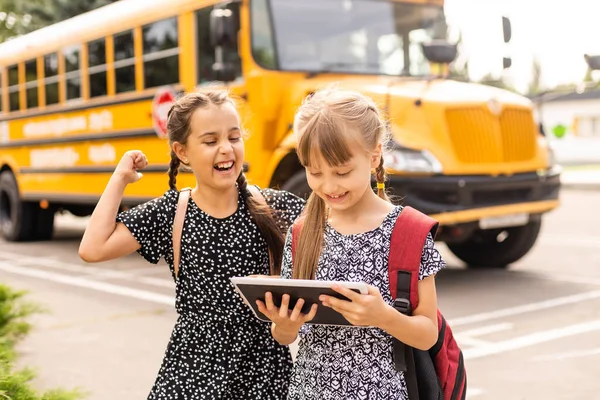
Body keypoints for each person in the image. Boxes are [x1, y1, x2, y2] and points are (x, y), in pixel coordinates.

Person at [78, 90, 304, 399]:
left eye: (234, 138)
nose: (226, 149)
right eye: (210, 142)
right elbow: (93, 248)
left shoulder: (273, 206)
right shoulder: (172, 212)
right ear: (182, 152)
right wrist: (119, 178)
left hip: (263, 373)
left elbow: (334, 235)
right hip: (189, 374)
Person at [256, 87, 447, 400]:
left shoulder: (408, 231)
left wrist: (383, 317)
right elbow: (285, 335)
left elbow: (428, 334)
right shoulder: (302, 234)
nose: (329, 185)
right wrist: (284, 325)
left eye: (342, 172)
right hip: (310, 391)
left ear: (373, 157)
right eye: (314, 172)